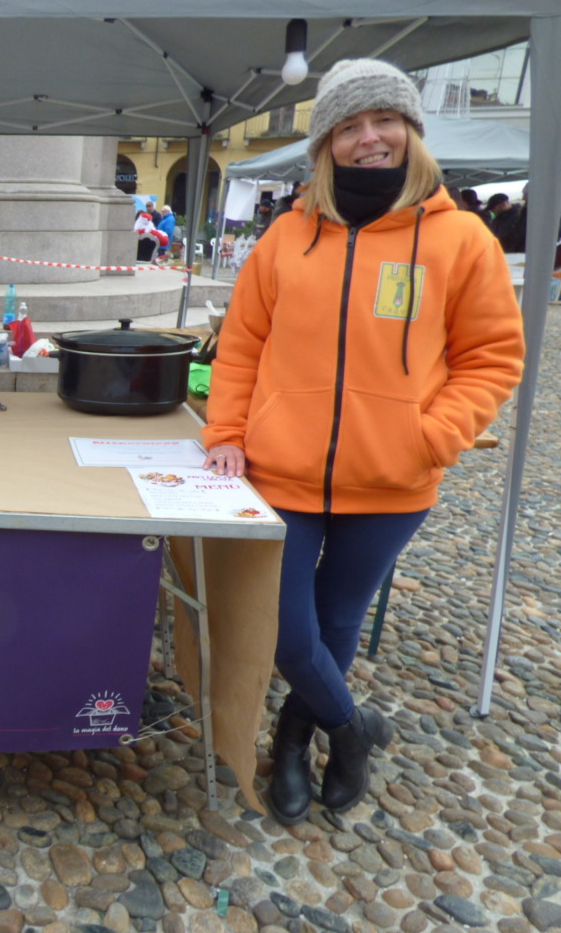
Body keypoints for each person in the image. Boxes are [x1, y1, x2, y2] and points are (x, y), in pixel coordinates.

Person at [202, 59, 524, 825]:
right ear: (327, 144)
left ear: (411, 131)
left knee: (339, 621)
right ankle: (352, 730)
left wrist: (434, 435)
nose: (368, 137)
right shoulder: (284, 237)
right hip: (281, 475)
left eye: (384, 120)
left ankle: (292, 741)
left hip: (392, 484)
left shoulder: (462, 239)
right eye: (349, 125)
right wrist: (226, 432)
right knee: (287, 633)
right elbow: (241, 348)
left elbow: (492, 357)